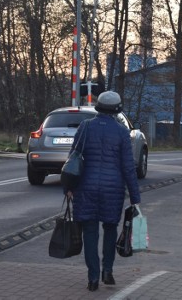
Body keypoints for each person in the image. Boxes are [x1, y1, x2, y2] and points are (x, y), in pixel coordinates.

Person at [66, 91, 141, 292]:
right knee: (110, 229)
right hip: (112, 190)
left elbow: (73, 159)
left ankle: (92, 278)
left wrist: (69, 188)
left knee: (89, 232)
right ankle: (107, 271)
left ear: (98, 107)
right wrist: (135, 197)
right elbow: (128, 166)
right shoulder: (122, 132)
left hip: (86, 188)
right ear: (117, 109)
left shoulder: (85, 127)